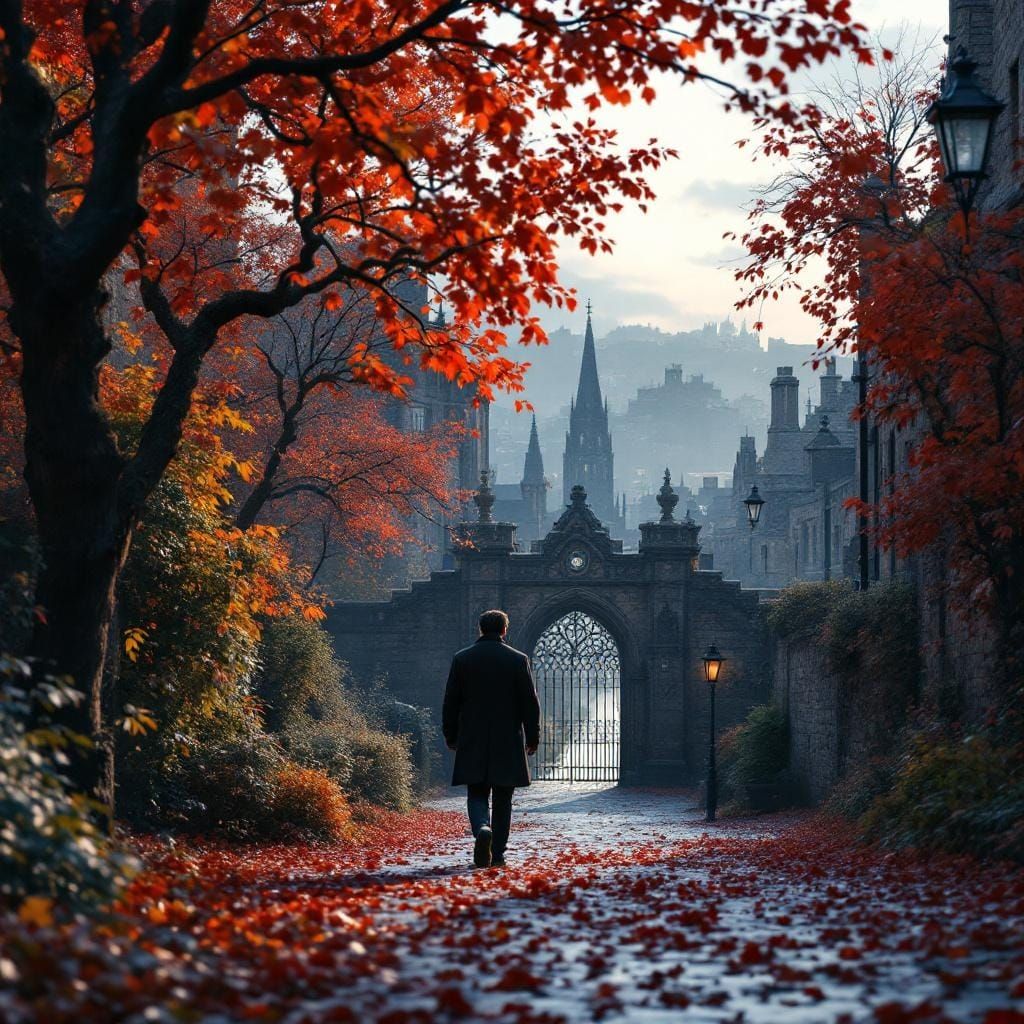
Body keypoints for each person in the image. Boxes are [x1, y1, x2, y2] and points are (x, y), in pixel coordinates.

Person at [442, 609, 541, 868]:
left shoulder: (462, 659)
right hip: (507, 738)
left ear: (480, 629)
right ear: (504, 630)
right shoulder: (518, 660)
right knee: (503, 798)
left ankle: (481, 829)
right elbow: (530, 704)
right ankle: (497, 853)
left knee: (476, 792)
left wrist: (450, 734)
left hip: (472, 737)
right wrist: (533, 736)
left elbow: (451, 702)